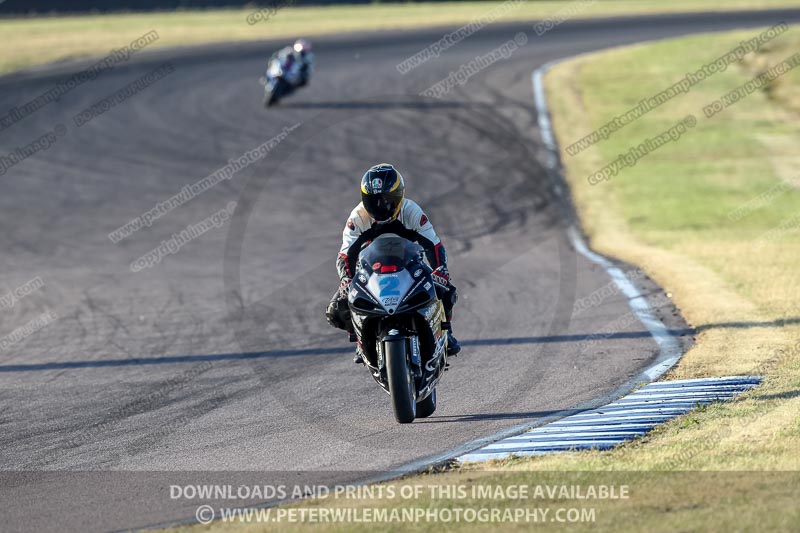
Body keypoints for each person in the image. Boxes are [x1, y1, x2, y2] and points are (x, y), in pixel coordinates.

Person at [325, 163, 460, 363]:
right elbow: (345, 255)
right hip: (372, 269)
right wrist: (346, 280)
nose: (380, 206)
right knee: (336, 310)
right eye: (373, 201)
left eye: (386, 200)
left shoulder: (411, 211)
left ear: (399, 196)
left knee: (446, 290)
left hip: (409, 264)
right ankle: (362, 340)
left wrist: (440, 270)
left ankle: (445, 331)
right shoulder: (358, 217)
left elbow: (434, 245)